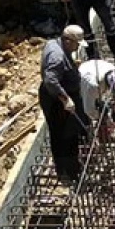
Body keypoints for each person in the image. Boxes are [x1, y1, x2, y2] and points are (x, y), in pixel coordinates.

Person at [40, 25, 91, 185]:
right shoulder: (57, 56)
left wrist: (70, 65)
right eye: (76, 44)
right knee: (64, 137)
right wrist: (65, 99)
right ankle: (69, 173)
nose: (77, 47)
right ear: (67, 41)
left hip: (59, 97)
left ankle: (70, 168)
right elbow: (50, 80)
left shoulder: (55, 44)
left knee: (68, 133)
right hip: (56, 102)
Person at [78, 59, 115, 126]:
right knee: (87, 109)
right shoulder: (93, 85)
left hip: (93, 68)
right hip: (82, 79)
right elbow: (89, 110)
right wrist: (103, 117)